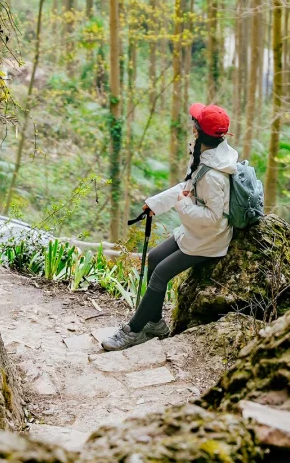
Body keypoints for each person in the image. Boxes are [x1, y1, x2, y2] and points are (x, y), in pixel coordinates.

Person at [101, 102, 238, 351]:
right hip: (196, 233)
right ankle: (155, 323)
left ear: (198, 132)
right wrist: (155, 203)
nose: (192, 127)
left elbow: (214, 218)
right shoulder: (205, 157)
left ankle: (133, 331)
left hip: (209, 239)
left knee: (161, 273)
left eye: (194, 124)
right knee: (154, 259)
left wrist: (183, 206)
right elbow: (186, 188)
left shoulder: (214, 174)